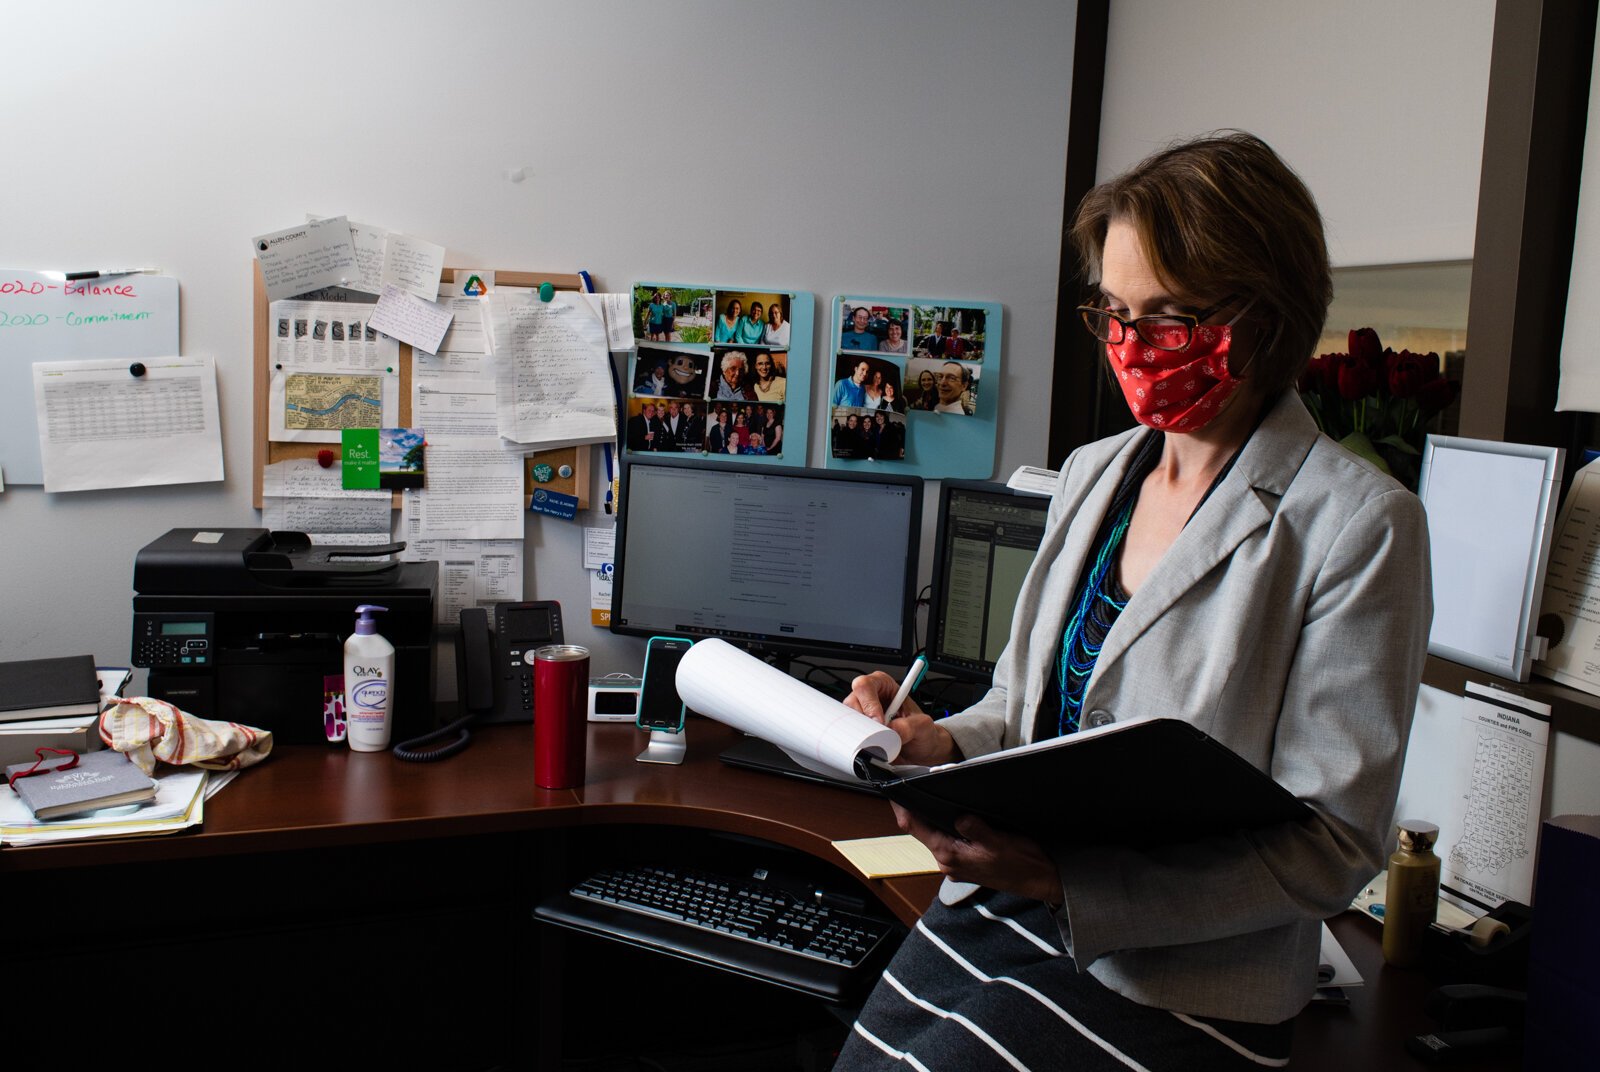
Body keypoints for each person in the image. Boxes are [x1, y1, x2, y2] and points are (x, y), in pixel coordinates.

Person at [835, 131, 1433, 1071]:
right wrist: (938, 741)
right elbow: (1021, 707)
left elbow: (1330, 844)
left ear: (1266, 316)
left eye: (1168, 318)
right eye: (1112, 312)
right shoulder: (1093, 474)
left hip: (1185, 984)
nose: (1129, 348)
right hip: (1006, 911)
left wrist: (1069, 881)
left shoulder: (1358, 525)